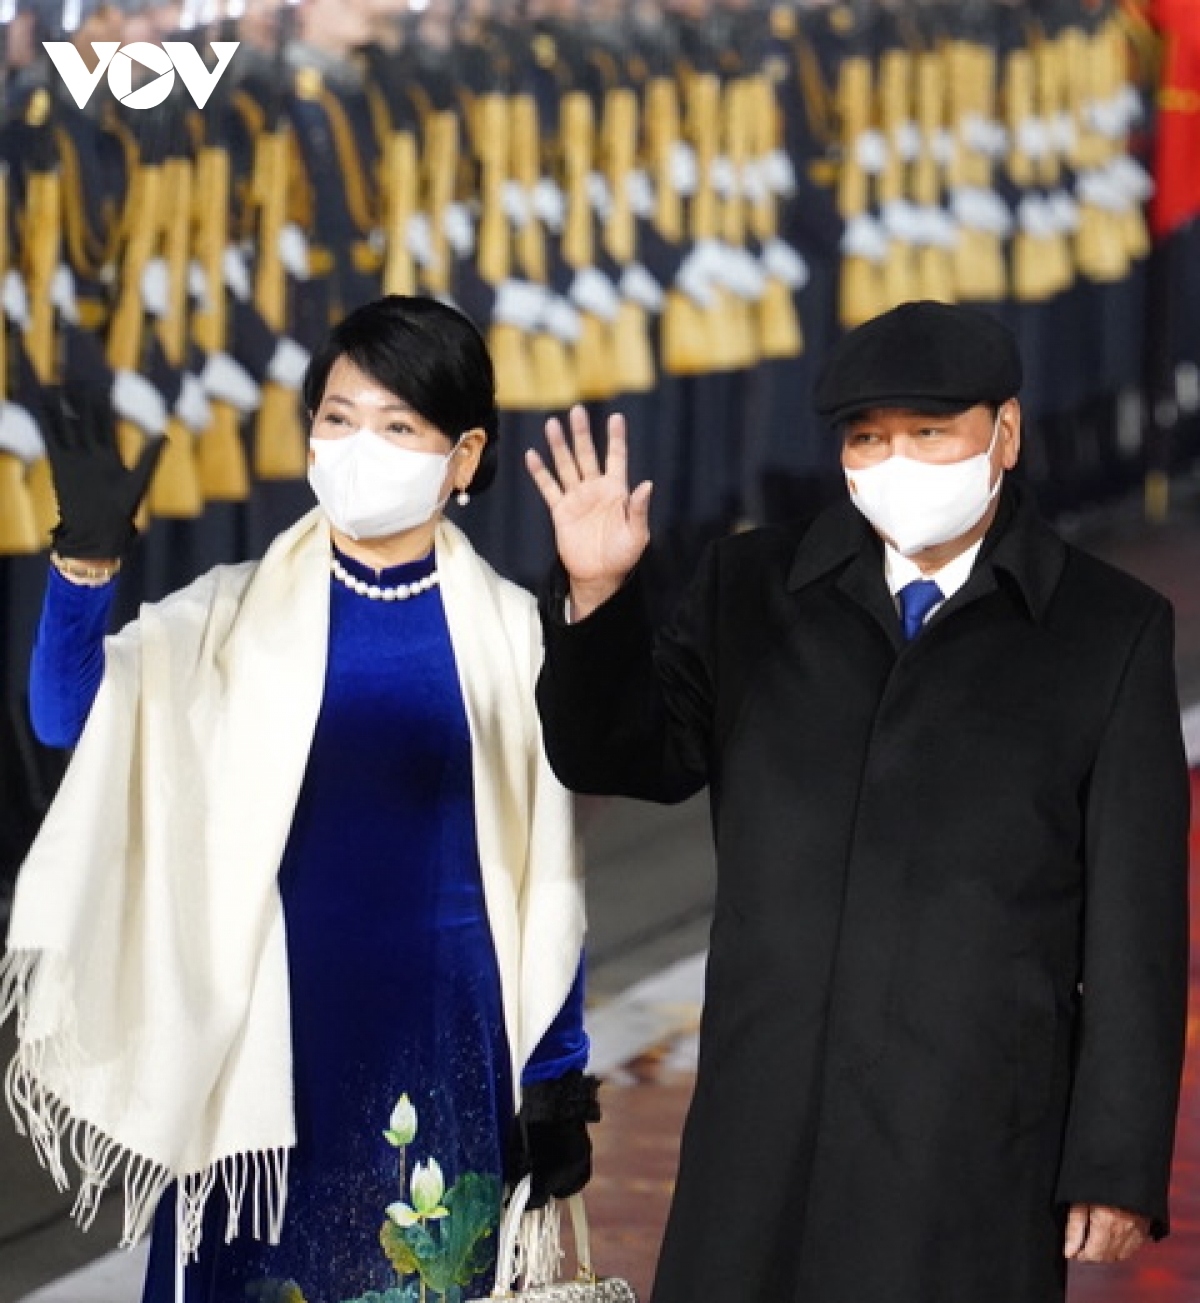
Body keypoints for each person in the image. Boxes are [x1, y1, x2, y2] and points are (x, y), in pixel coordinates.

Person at [525, 298, 1191, 1303]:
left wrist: (1114, 1157)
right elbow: (622, 753)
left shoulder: (1107, 631)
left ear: (1003, 433)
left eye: (931, 434)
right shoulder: (754, 586)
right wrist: (599, 599)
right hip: (764, 1123)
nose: (899, 464)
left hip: (968, 1141)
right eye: (869, 440)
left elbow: (1137, 930)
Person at [2, 295, 598, 1303]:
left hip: (444, 1043)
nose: (359, 443)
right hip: (264, 1046)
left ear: (462, 457)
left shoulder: (512, 633)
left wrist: (560, 1069)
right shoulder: (228, 614)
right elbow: (67, 718)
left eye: (398, 425)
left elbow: (550, 871)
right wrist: (83, 570)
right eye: (338, 415)